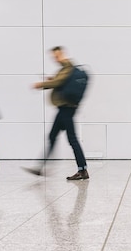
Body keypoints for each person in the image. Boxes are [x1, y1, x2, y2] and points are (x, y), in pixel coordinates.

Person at [27, 46, 88, 180]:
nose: (55, 59)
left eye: (56, 56)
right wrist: (50, 81)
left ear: (62, 54)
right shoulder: (66, 68)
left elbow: (58, 81)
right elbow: (59, 82)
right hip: (64, 108)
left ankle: (82, 170)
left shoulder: (67, 67)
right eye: (54, 57)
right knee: (53, 136)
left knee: (71, 139)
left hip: (66, 108)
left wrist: (40, 84)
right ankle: (40, 167)